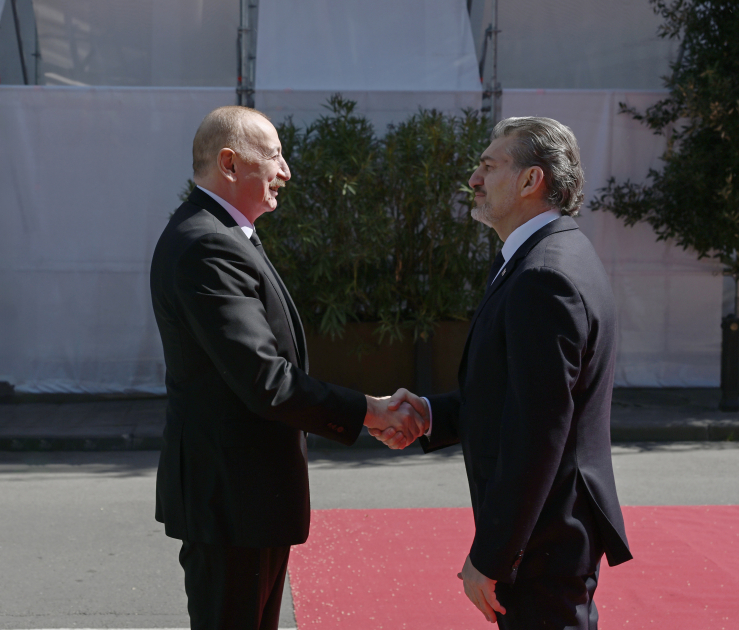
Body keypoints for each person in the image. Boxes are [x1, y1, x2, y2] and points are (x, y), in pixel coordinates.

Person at [149, 105, 425, 630]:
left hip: (245, 501)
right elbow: (266, 381)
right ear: (229, 163)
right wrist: (370, 411)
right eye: (274, 156)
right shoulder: (207, 243)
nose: (286, 171)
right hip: (232, 503)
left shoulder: (224, 234)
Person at [373, 116, 633, 629]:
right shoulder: (545, 255)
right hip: (550, 533)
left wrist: (492, 555)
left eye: (488, 167)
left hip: (545, 540)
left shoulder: (544, 274)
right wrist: (430, 415)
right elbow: (513, 394)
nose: (474, 179)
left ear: (531, 180)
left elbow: (538, 432)